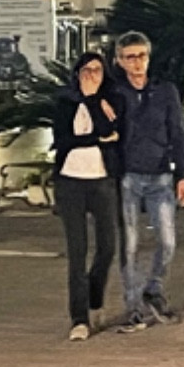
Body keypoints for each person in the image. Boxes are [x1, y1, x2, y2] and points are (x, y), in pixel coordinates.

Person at [111, 33, 184, 331]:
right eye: (130, 57)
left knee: (167, 240)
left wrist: (183, 174)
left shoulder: (165, 91)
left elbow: (178, 132)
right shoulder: (116, 93)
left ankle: (154, 289)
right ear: (119, 60)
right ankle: (133, 305)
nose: (137, 63)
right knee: (130, 244)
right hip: (128, 175)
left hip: (160, 174)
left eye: (141, 56)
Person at [52, 51, 121, 341]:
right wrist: (95, 139)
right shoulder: (64, 102)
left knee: (107, 247)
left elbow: (112, 131)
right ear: (77, 73)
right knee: (77, 251)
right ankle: (79, 318)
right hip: (70, 181)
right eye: (86, 70)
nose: (92, 75)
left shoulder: (109, 101)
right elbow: (63, 139)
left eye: (97, 70)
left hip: (101, 180)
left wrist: (93, 100)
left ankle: (95, 296)